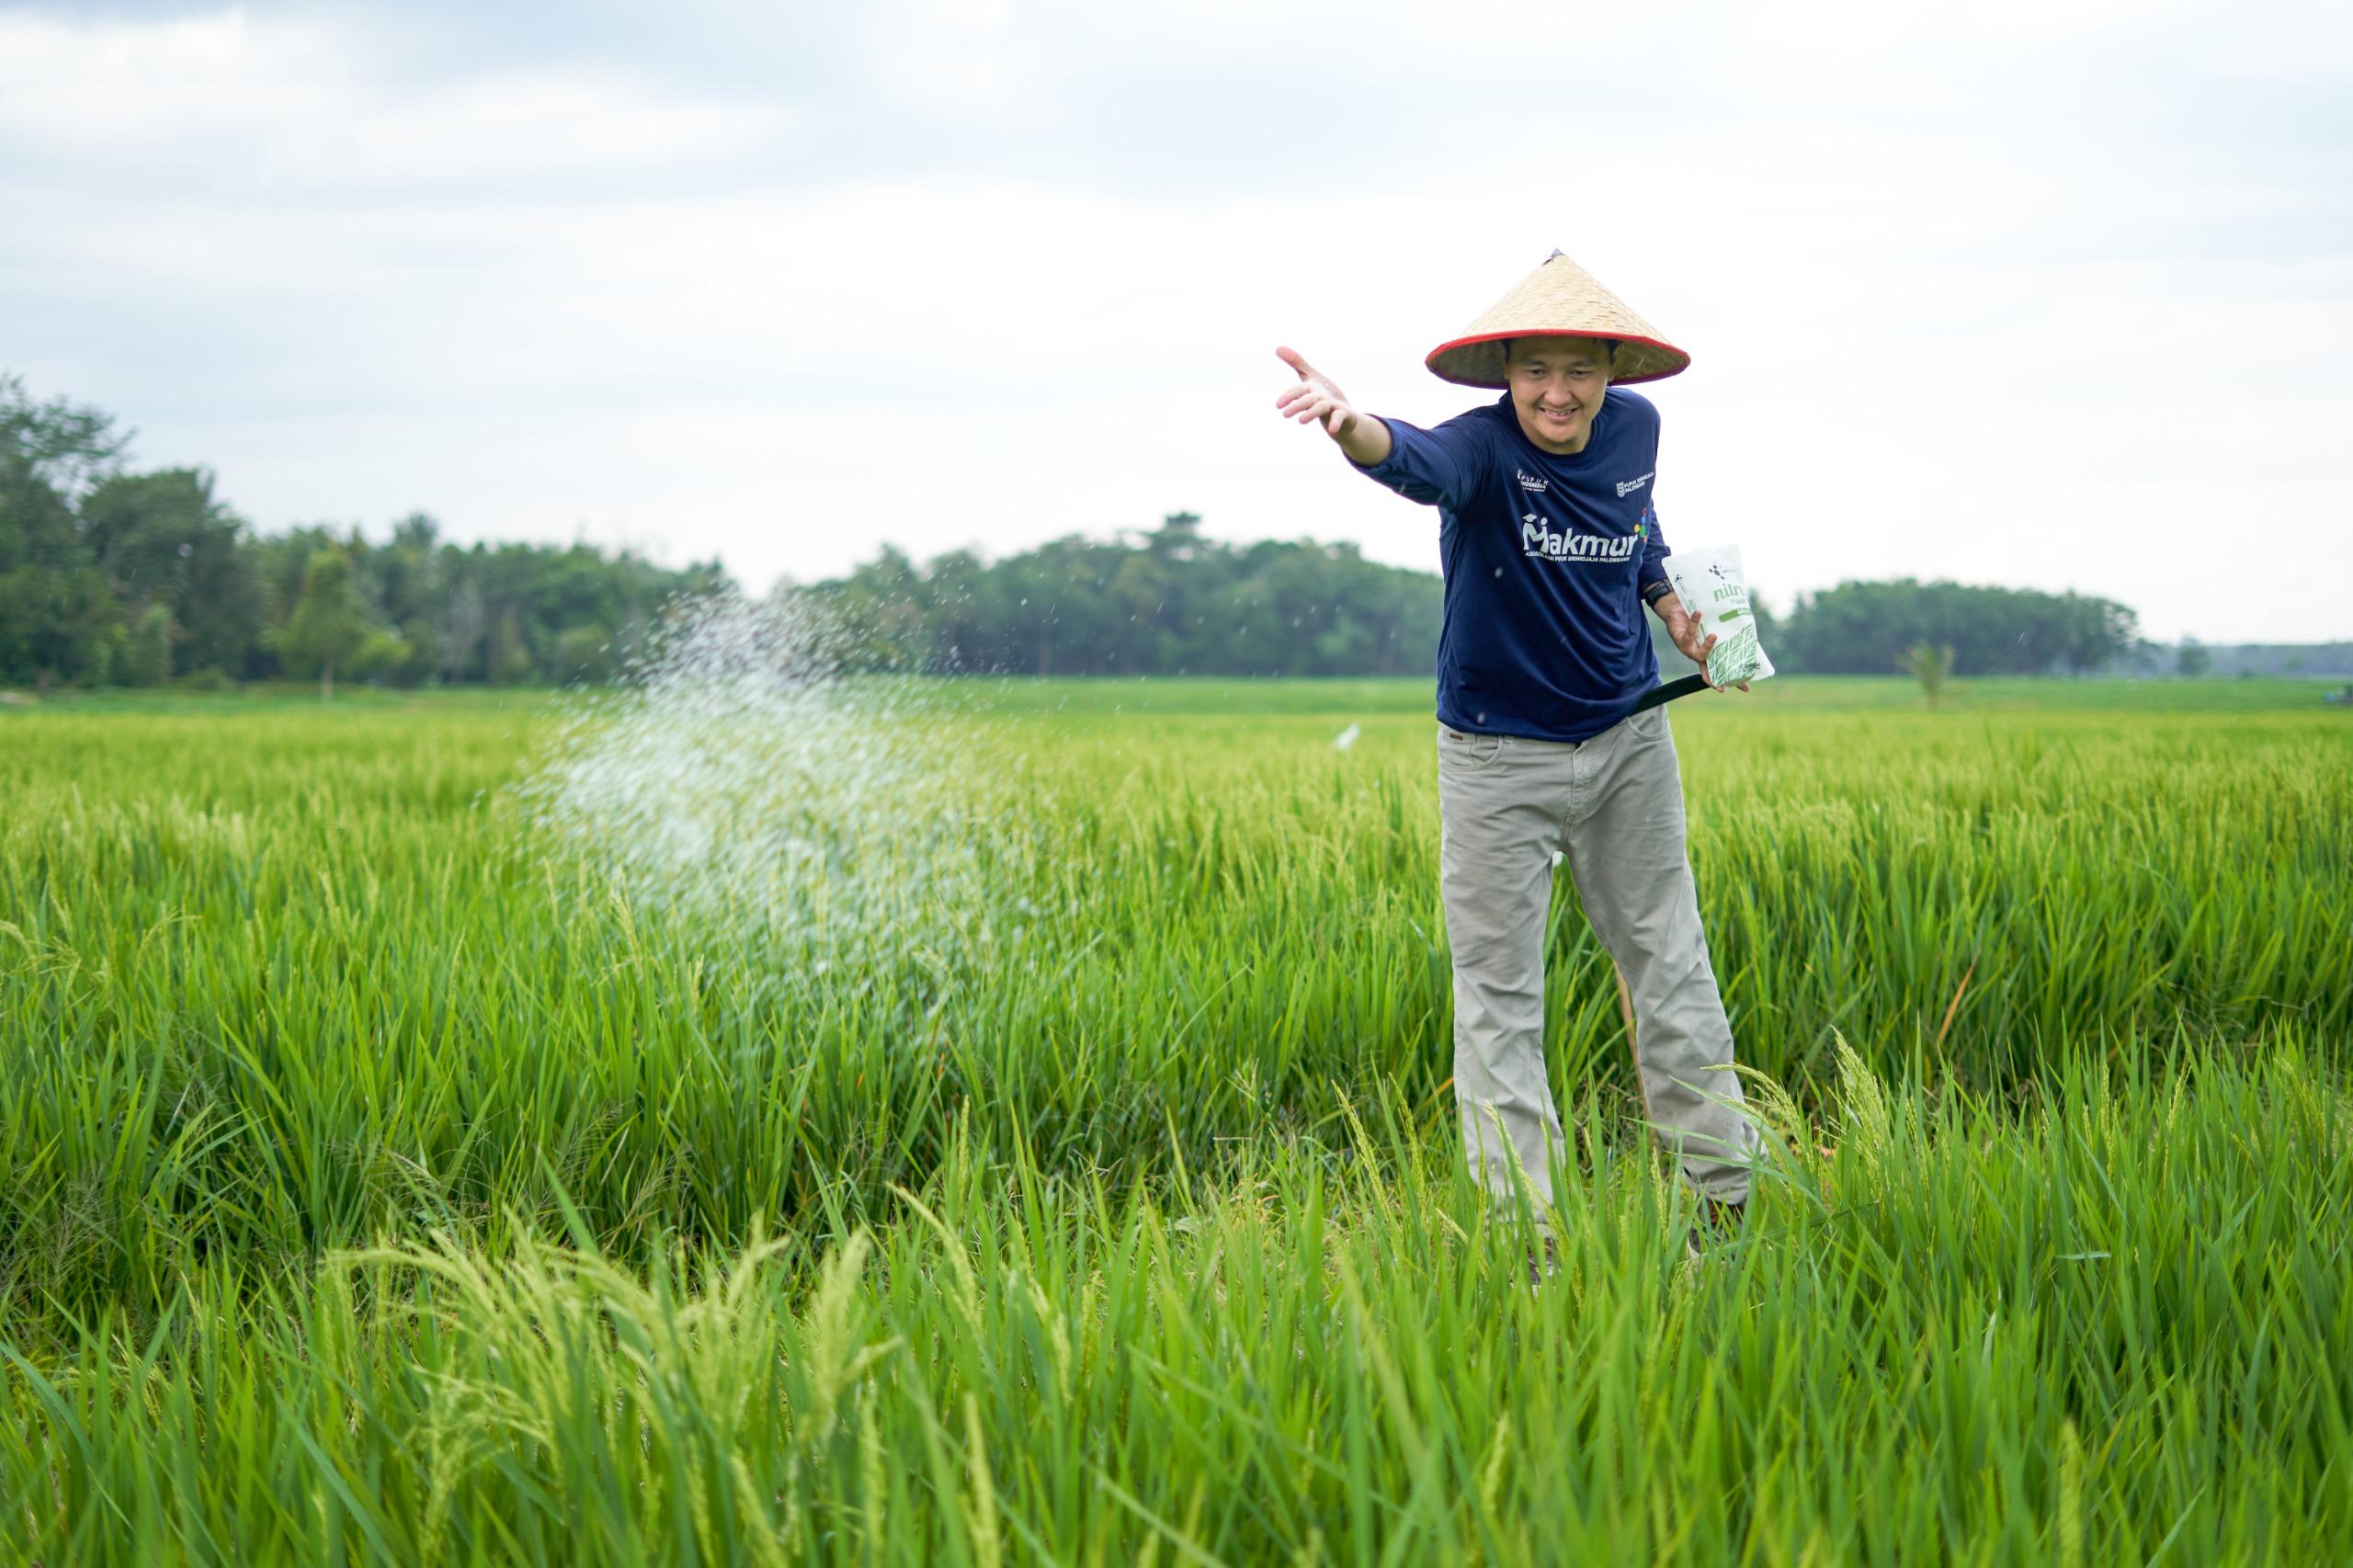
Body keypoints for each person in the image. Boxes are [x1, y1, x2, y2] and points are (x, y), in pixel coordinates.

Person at [1272, 250, 1760, 1265]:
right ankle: (1525, 1243)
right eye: (1535, 369)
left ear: (1611, 371)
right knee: (1499, 996)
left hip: (1630, 739)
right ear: (1505, 375)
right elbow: (1409, 459)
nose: (1556, 391)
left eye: (1578, 369)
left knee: (1672, 965)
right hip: (1497, 758)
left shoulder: (1638, 428)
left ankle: (1724, 1206)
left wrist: (1670, 601)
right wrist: (1345, 422)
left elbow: (1634, 518)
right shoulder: (1481, 450)